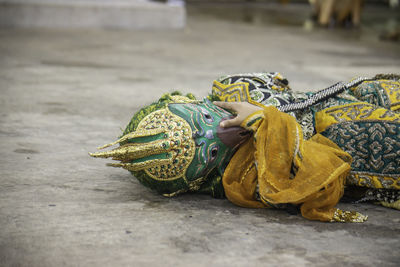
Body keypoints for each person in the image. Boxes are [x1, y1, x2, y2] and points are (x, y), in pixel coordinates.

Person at [90, 72, 399, 223]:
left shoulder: (234, 87)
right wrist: (268, 125)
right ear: (198, 180)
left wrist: (254, 103)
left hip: (360, 94)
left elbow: (278, 80)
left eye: (207, 118)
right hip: (364, 141)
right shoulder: (249, 181)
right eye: (211, 152)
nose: (219, 133)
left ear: (189, 102)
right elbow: (318, 184)